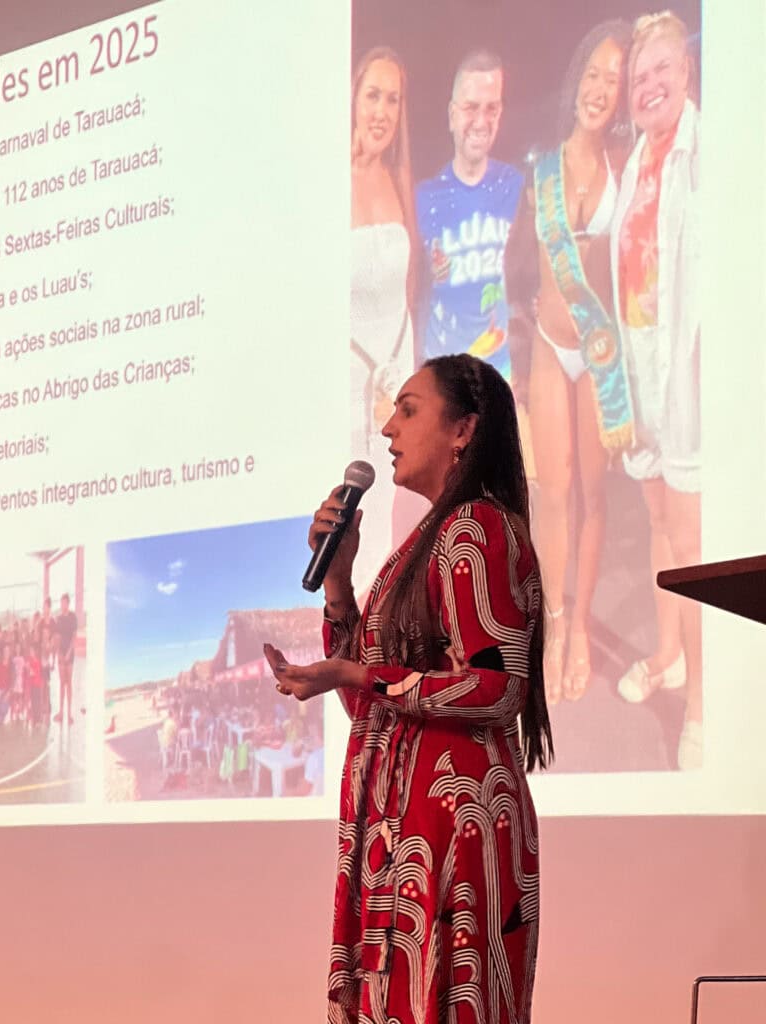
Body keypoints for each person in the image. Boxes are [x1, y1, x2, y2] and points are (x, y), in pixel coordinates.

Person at [265, 353, 552, 1023]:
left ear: (464, 431)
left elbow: (497, 688)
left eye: (408, 409)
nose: (388, 428)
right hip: (399, 828)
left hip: (452, 825)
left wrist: (355, 672)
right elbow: (369, 704)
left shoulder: (476, 528)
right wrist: (339, 580)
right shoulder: (422, 541)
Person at [513, 21, 634, 702]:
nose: (600, 89)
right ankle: (554, 625)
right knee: (552, 491)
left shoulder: (626, 163)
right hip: (551, 346)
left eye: (613, 81)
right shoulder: (541, 170)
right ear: (577, 80)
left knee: (593, 492)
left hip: (601, 350)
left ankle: (580, 626)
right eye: (593, 74)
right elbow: (515, 269)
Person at [610, 11, 701, 769]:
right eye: (639, 78)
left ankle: (701, 701)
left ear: (688, 74)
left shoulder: (705, 154)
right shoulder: (635, 158)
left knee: (694, 539)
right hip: (640, 380)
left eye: (661, 71)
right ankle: (670, 654)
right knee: (658, 526)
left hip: (690, 376)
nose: (649, 85)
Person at [350, 46, 427, 594]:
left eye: (393, 99)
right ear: (352, 98)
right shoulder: (325, 183)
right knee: (347, 508)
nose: (382, 110)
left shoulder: (400, 180)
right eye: (372, 95)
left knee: (387, 505)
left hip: (395, 366)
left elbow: (407, 287)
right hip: (346, 373)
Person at [416, 51, 523, 381]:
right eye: (470, 108)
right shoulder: (422, 197)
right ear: (451, 115)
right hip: (442, 374)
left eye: (491, 108)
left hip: (497, 372)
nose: (481, 120)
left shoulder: (516, 187)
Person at [53, 593, 79, 724]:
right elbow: (56, 638)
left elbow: (74, 637)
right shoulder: (58, 619)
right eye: (61, 603)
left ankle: (69, 714)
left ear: (68, 603)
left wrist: (69, 652)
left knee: (69, 683)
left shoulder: (73, 617)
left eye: (64, 603)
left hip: (70, 654)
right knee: (61, 683)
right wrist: (58, 653)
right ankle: (61, 712)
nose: (62, 605)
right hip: (61, 655)